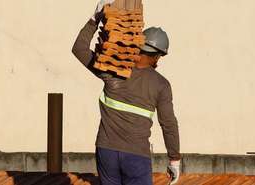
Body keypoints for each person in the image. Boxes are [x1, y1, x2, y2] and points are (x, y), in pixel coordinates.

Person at [72, 0, 181, 184]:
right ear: (156, 56)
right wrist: (174, 160)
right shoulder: (161, 85)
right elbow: (168, 124)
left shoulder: (111, 69)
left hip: (106, 152)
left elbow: (79, 49)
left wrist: (95, 18)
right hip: (136, 157)